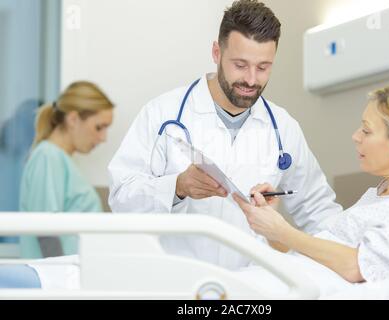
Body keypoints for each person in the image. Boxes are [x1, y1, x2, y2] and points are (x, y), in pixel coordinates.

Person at [108, 0, 342, 270]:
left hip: (252, 288)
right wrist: (178, 187)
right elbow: (120, 196)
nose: (252, 80)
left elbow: (321, 213)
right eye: (240, 65)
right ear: (217, 52)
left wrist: (345, 263)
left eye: (263, 67)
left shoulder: (283, 127)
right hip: (177, 281)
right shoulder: (163, 114)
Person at [234, 82, 389, 283]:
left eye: (366, 130)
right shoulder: (378, 195)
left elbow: (359, 267)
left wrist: (282, 232)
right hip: (290, 279)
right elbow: (319, 256)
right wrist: (273, 229)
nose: (356, 136)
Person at [20, 81, 114, 259]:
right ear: (73, 119)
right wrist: (60, 279)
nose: (103, 138)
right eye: (99, 127)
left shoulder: (62, 161)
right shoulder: (48, 156)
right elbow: (46, 230)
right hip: (58, 279)